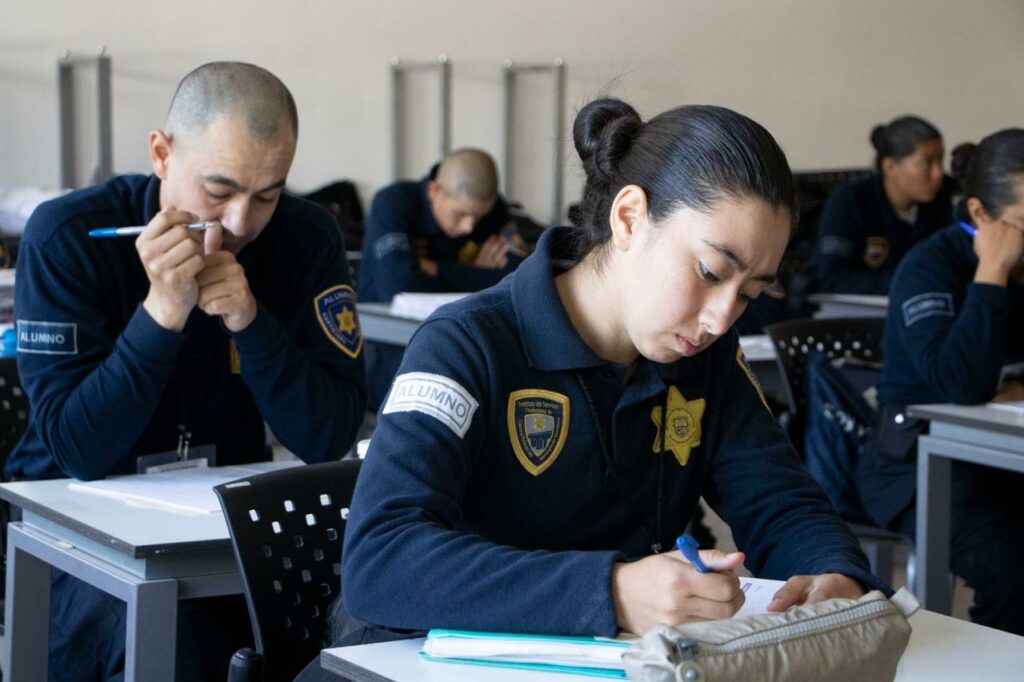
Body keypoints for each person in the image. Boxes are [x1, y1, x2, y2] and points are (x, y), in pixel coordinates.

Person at [331, 99, 889, 655]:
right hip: (433, 660)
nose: (721, 318)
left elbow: (781, 502)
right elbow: (382, 559)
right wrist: (613, 589)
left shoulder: (704, 357)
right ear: (629, 218)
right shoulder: (466, 342)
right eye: (709, 273)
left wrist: (833, 577)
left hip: (620, 661)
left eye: (748, 294)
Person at [6, 62, 367, 680]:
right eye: (219, 191)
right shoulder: (68, 238)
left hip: (223, 533)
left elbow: (326, 435)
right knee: (186, 647)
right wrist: (160, 315)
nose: (239, 223)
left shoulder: (306, 238)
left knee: (350, 632)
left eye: (268, 194)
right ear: (161, 153)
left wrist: (252, 325)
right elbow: (77, 450)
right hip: (68, 532)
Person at [857, 128, 1024, 635]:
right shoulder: (931, 267)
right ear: (981, 215)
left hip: (1002, 462)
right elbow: (960, 384)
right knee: (1014, 570)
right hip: (920, 467)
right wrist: (992, 271)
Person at [358, 149, 526, 410]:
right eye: (460, 214)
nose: (469, 227)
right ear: (435, 190)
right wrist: (477, 272)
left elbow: (516, 278)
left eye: (478, 217)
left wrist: (435, 269)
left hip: (461, 340)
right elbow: (400, 285)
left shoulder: (494, 211)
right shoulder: (394, 202)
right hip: (388, 345)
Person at [809, 115, 953, 294]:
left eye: (940, 160)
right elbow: (832, 277)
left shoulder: (942, 203)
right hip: (853, 315)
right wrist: (912, 282)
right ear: (890, 167)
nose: (938, 173)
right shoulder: (850, 202)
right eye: (926, 163)